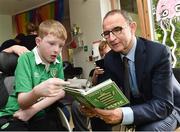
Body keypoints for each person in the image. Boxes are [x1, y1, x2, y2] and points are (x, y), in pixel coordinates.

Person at [80, 9, 180, 131]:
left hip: (169, 108)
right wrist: (93, 106)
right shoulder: (110, 58)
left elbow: (163, 105)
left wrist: (123, 114)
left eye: (117, 30)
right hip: (137, 105)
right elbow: (106, 91)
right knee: (97, 118)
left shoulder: (158, 53)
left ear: (132, 28)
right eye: (106, 33)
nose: (111, 38)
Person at [0, 19, 70, 131]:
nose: (56, 50)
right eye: (51, 43)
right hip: (14, 113)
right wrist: (37, 92)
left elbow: (61, 92)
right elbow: (22, 103)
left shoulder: (58, 60)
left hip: (38, 112)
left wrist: (33, 110)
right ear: (38, 41)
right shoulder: (26, 59)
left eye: (61, 46)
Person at [71, 40, 111, 131]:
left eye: (107, 54)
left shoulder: (117, 66)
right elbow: (92, 84)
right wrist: (95, 75)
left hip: (107, 96)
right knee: (76, 105)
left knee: (95, 108)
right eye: (102, 55)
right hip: (96, 94)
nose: (104, 57)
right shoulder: (97, 69)